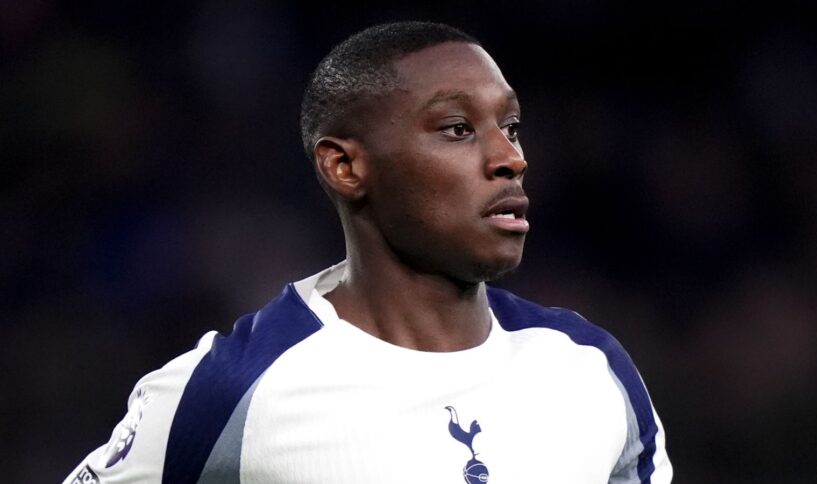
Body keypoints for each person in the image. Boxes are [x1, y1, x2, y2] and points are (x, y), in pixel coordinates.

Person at [64, 21, 672, 484]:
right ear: (345, 167)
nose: (511, 157)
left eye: (509, 126)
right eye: (458, 129)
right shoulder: (234, 389)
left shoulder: (590, 368)